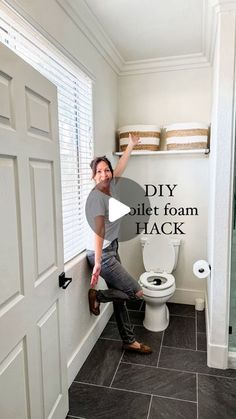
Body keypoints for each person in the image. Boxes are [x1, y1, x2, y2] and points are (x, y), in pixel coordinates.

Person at [86, 133, 152, 354]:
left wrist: (131, 145)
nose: (104, 174)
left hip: (111, 247)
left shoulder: (110, 186)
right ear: (93, 176)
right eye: (99, 171)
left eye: (107, 170)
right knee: (135, 293)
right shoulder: (96, 197)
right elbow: (98, 231)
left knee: (121, 298)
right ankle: (98, 296)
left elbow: (121, 165)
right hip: (102, 253)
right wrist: (97, 263)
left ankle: (129, 340)